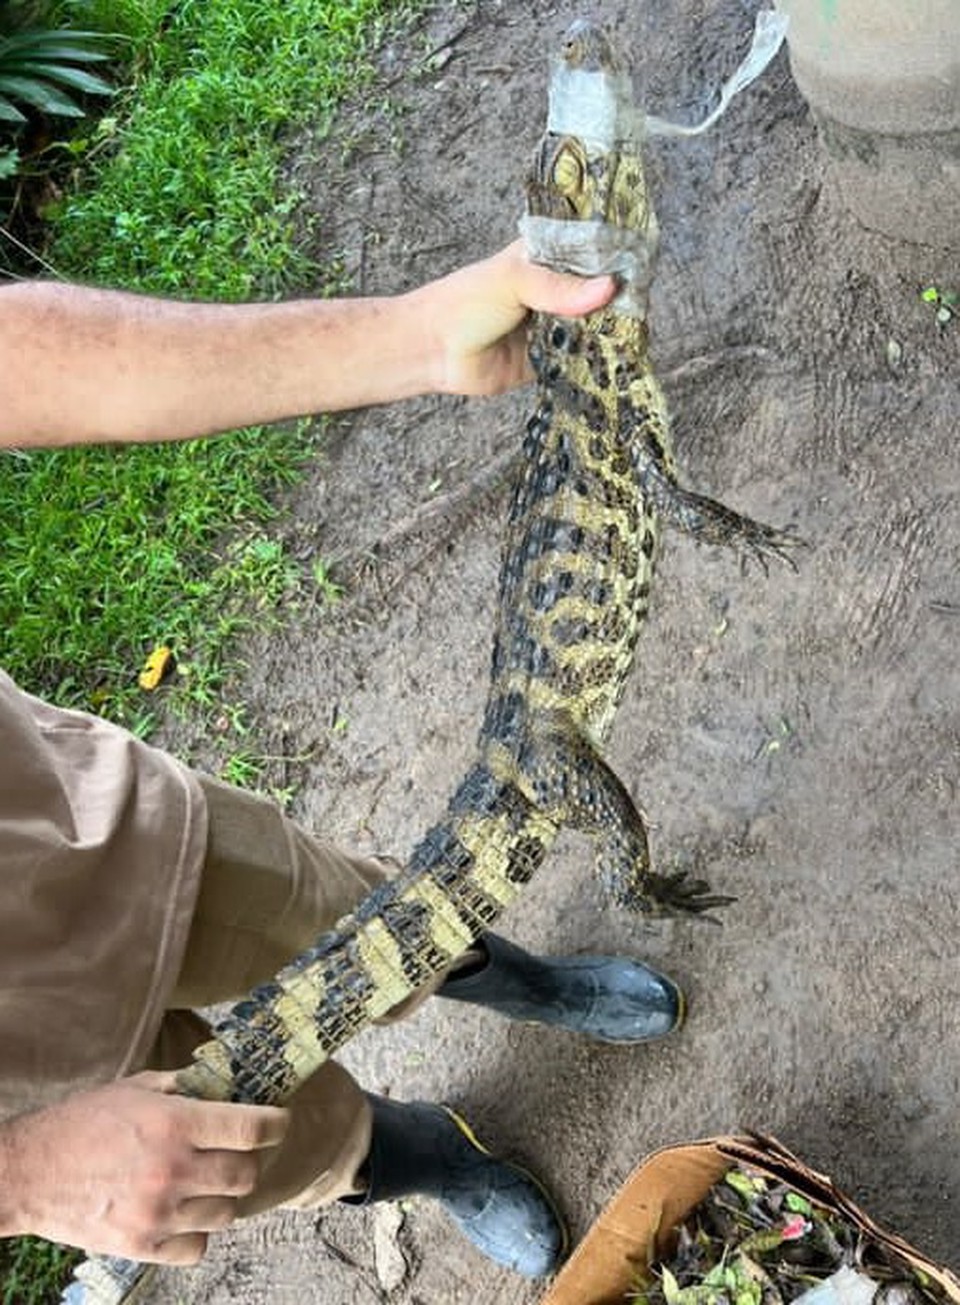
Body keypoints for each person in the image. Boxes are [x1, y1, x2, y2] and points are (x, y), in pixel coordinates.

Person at [0, 243, 686, 1281]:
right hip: (24, 1087)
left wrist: (414, 336)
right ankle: (441, 1161)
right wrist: (19, 1177)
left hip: (64, 828)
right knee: (284, 1147)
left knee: (369, 913)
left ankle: (529, 982)